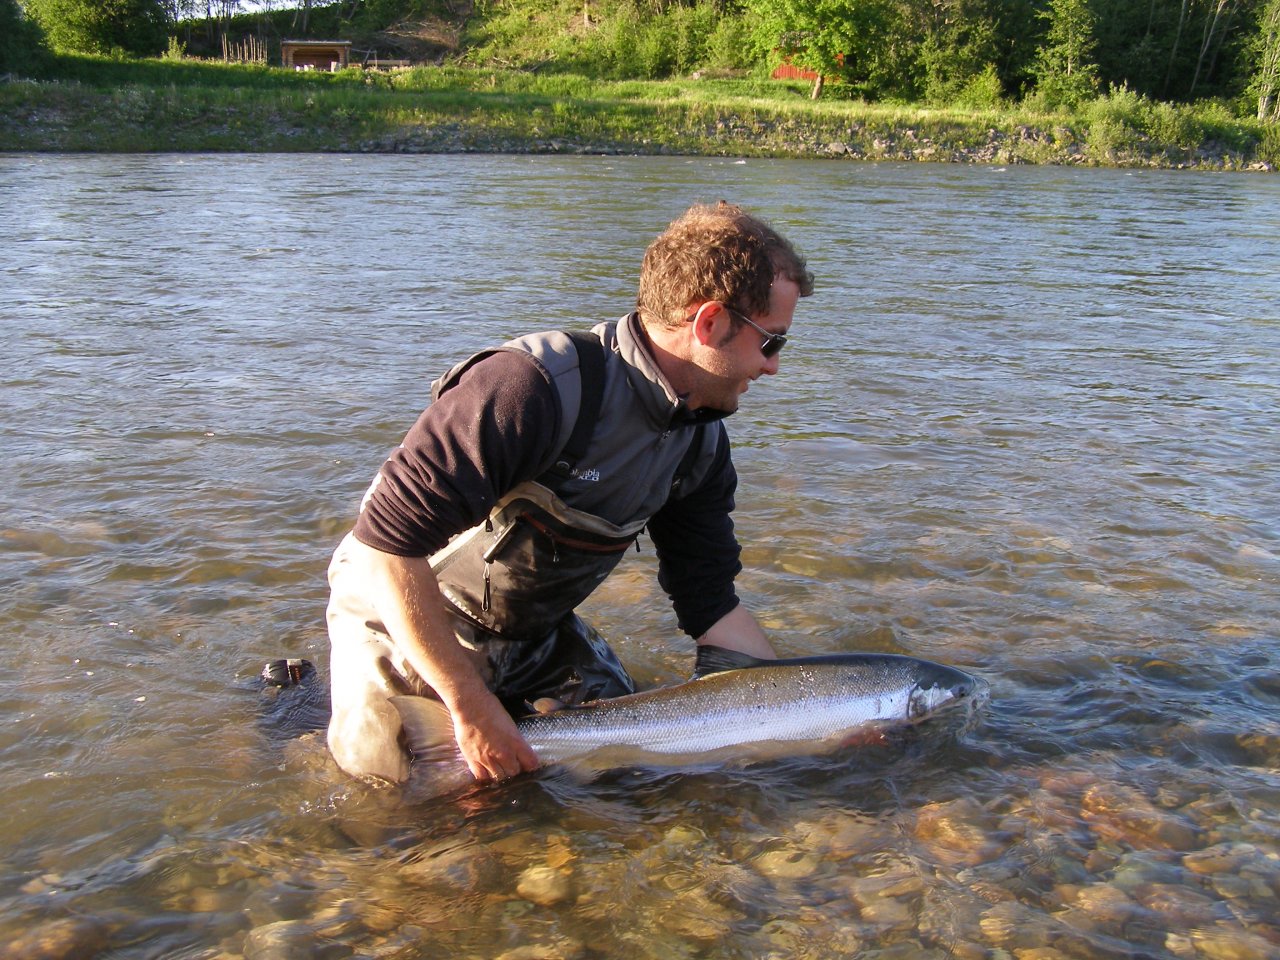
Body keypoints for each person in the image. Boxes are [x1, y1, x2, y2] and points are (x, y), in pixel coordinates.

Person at [325, 201, 814, 785]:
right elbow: (386, 548)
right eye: (773, 341)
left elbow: (710, 606)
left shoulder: (699, 445)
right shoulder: (528, 389)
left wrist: (809, 716)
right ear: (709, 323)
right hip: (401, 604)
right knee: (399, 795)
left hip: (528, 629)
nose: (774, 367)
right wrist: (469, 704)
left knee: (628, 771)